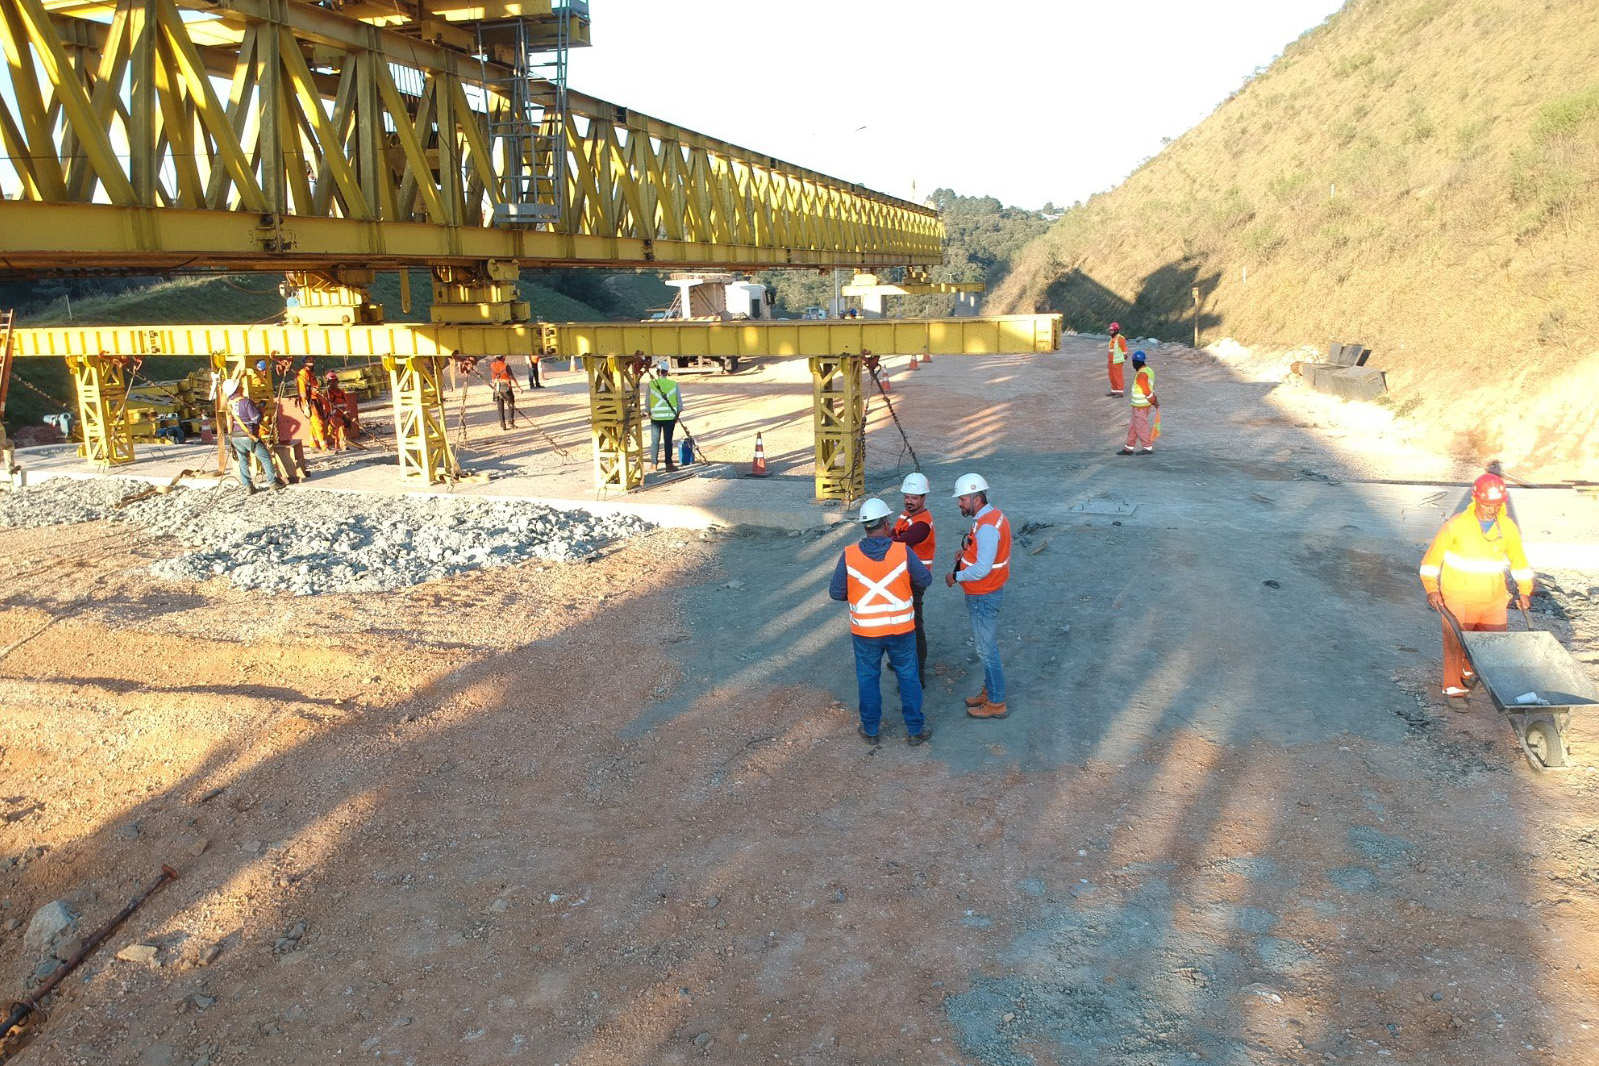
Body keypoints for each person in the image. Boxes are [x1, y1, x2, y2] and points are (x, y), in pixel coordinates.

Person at [1420, 473, 1535, 699]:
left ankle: (1469, 667)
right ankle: (1453, 688)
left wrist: (1525, 590)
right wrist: (1431, 589)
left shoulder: (1507, 528)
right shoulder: (1456, 525)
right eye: (1487, 504)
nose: (1492, 510)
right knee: (1455, 642)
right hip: (1457, 597)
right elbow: (1430, 561)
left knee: (1491, 644)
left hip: (1493, 598)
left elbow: (1519, 561)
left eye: (1496, 505)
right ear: (1476, 500)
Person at [830, 498, 933, 745]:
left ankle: (871, 730)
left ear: (864, 527)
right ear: (887, 523)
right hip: (901, 629)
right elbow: (924, 580)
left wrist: (857, 594)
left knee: (868, 678)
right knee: (908, 676)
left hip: (866, 632)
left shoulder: (849, 555)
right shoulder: (902, 551)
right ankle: (915, 730)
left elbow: (836, 593)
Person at [947, 472, 1011, 719]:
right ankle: (990, 691)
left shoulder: (986, 527)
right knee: (986, 648)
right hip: (984, 593)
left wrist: (956, 576)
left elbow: (983, 568)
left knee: (986, 650)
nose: (959, 504)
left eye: (962, 499)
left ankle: (996, 703)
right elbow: (982, 554)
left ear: (976, 497)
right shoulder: (989, 519)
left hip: (984, 595)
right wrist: (963, 555)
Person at [891, 472, 937, 681]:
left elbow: (896, 542)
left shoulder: (921, 524)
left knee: (914, 626)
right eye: (907, 497)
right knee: (901, 621)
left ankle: (918, 675)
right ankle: (902, 659)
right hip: (903, 577)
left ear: (923, 498)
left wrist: (892, 538)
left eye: (914, 498)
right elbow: (892, 536)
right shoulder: (906, 515)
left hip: (915, 580)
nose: (909, 501)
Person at [221, 378, 286, 494]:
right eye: (239, 385)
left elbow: (231, 421)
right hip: (249, 436)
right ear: (237, 388)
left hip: (235, 437)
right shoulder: (246, 402)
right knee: (265, 458)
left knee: (243, 461)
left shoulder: (229, 404)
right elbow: (256, 419)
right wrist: (260, 409)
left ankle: (248, 487)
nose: (241, 385)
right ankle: (273, 483)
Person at [1118, 350, 1159, 455]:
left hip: (1140, 406)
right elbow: (1152, 388)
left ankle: (1147, 447)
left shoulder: (1141, 374)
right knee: (1133, 426)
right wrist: (1154, 401)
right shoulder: (1149, 370)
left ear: (1135, 362)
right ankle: (1128, 448)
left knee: (1141, 426)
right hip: (1141, 406)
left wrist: (1153, 400)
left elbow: (1146, 390)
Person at [647, 361, 682, 472]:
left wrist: (650, 413)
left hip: (655, 418)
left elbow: (647, 402)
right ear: (667, 372)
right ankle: (669, 464)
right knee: (668, 441)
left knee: (654, 441)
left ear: (657, 372)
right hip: (670, 418)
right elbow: (679, 403)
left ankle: (653, 465)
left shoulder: (651, 384)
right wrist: (676, 415)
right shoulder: (673, 384)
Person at [489, 354, 518, 430]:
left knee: (500, 407)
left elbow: (493, 379)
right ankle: (511, 422)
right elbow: (511, 378)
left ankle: (503, 425)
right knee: (511, 405)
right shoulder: (506, 366)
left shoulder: (492, 365)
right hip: (507, 388)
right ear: (503, 357)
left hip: (497, 388)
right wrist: (518, 387)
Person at [1106, 322, 1128, 397]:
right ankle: (1114, 390)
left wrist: (1125, 354)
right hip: (1111, 361)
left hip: (1117, 361)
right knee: (1112, 376)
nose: (1110, 331)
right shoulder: (1112, 338)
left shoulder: (1120, 338)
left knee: (1118, 376)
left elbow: (1124, 348)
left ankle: (1120, 392)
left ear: (1115, 330)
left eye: (1111, 330)